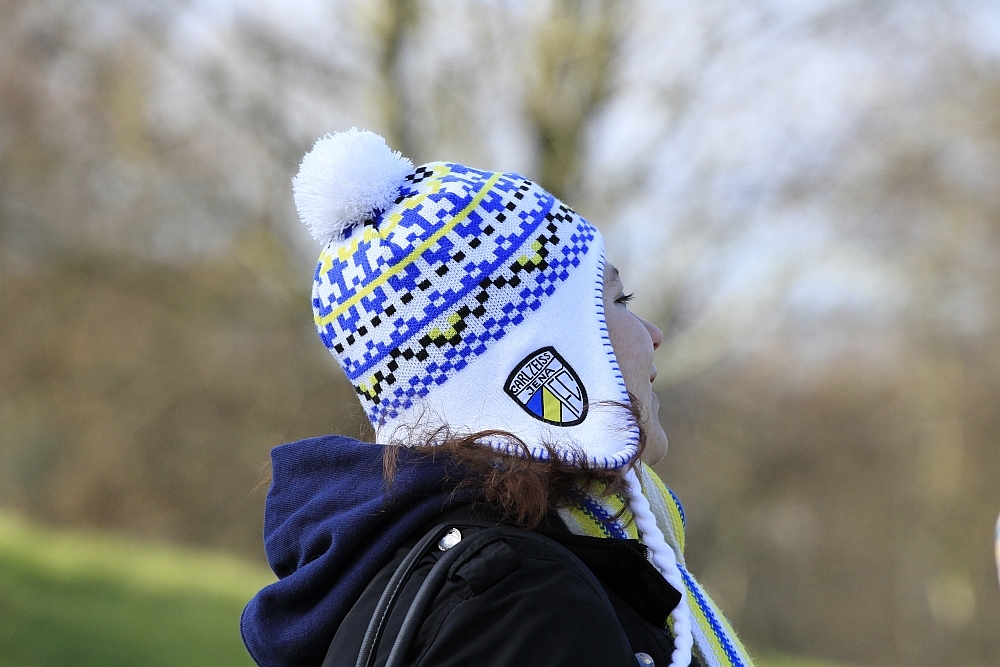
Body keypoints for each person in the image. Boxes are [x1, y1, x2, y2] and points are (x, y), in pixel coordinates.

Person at [240, 128, 754, 667]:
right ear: (546, 357)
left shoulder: (427, 569)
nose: (653, 334)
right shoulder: (525, 605)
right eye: (617, 300)